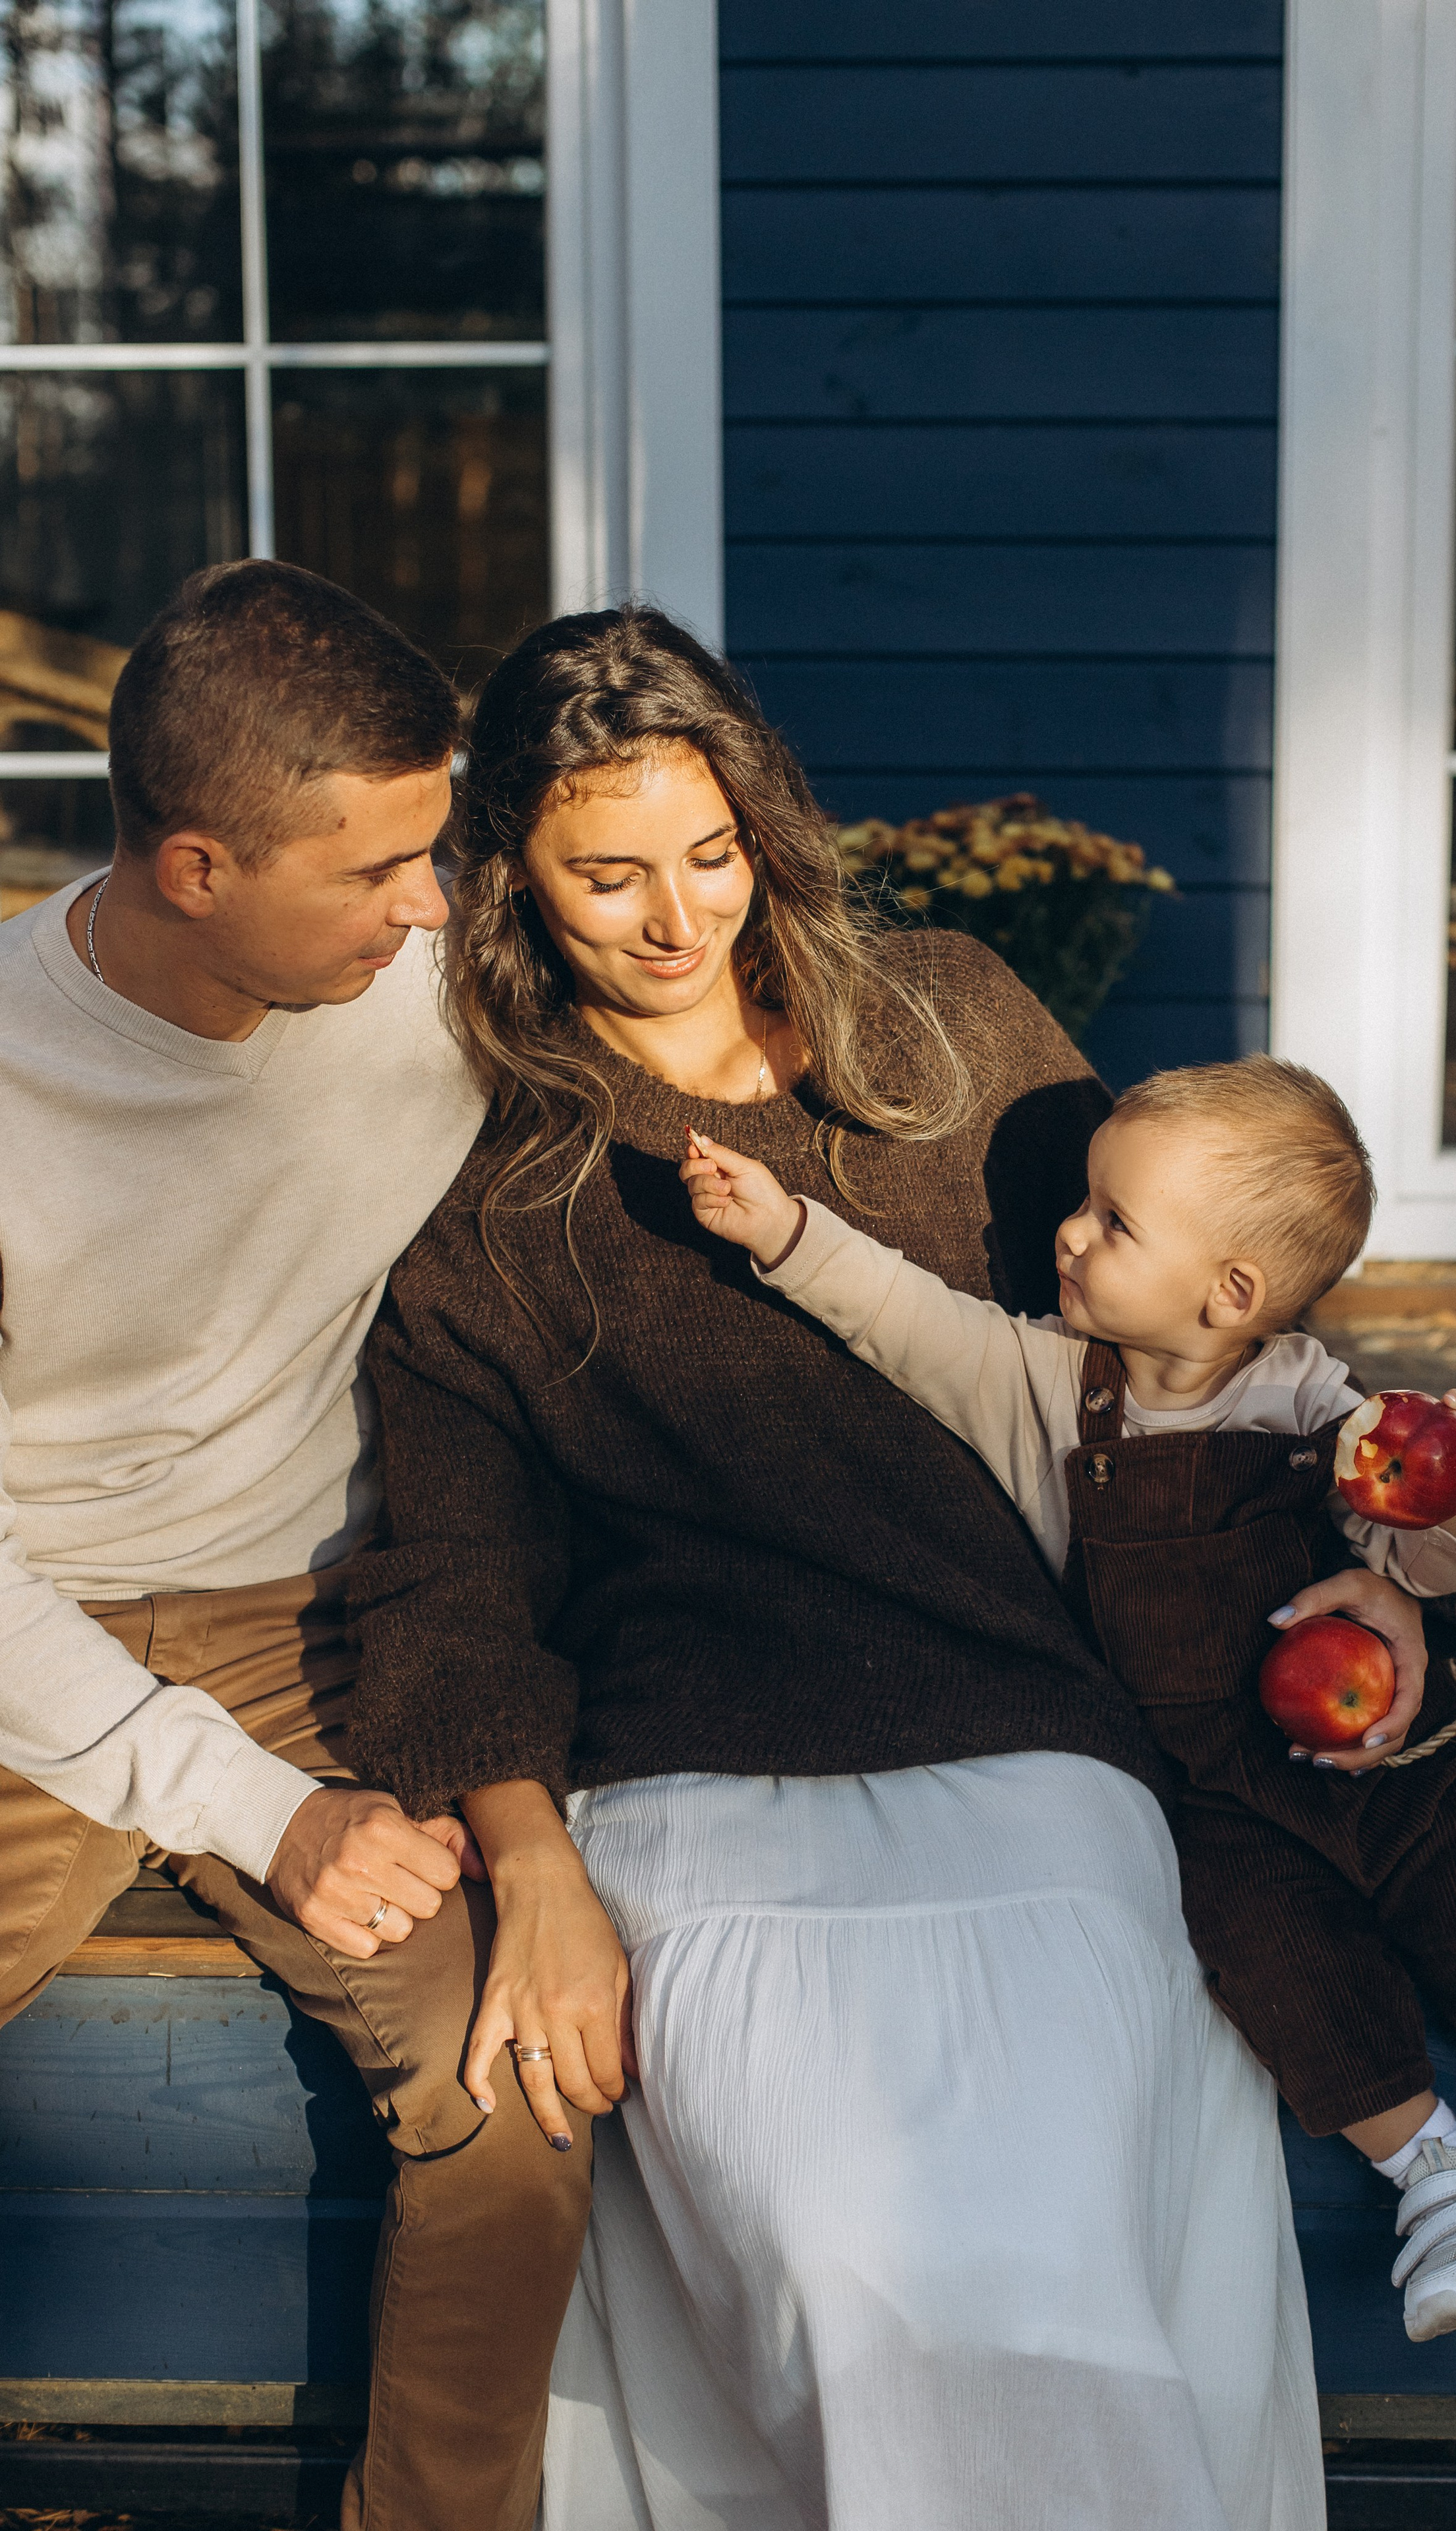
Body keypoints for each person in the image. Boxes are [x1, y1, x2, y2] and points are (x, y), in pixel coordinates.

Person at [344, 602, 1440, 2530]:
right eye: (609, 878)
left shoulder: (948, 1026)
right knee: (855, 2276)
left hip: (1034, 1740)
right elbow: (449, 1568)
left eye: (715, 854)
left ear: (765, 820)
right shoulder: (487, 1172)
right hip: (688, 1791)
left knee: (1039, 2258)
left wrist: (1371, 1577)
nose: (683, 920)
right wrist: (535, 1870)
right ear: (510, 869)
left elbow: (1190, 1344)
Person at [679, 1054, 1456, 2363]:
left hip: (1393, 1764)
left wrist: (1436, 1504)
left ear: (1231, 1294)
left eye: (1112, 1221)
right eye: (1085, 1204)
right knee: (1271, 1970)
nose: (1066, 1230)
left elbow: (1415, 1565)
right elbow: (901, 1317)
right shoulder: (1045, 1385)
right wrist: (781, 1233)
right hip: (1213, 1796)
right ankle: (1446, 2178)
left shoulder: (1320, 1409)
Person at [0, 561, 596, 2531]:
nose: (432, 910)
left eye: (436, 854)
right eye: (375, 873)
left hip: (313, 1621)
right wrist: (258, 1814)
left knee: (513, 2092)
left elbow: (761, 1041)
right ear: (192, 868)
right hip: (25, 1640)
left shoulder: (421, 979)